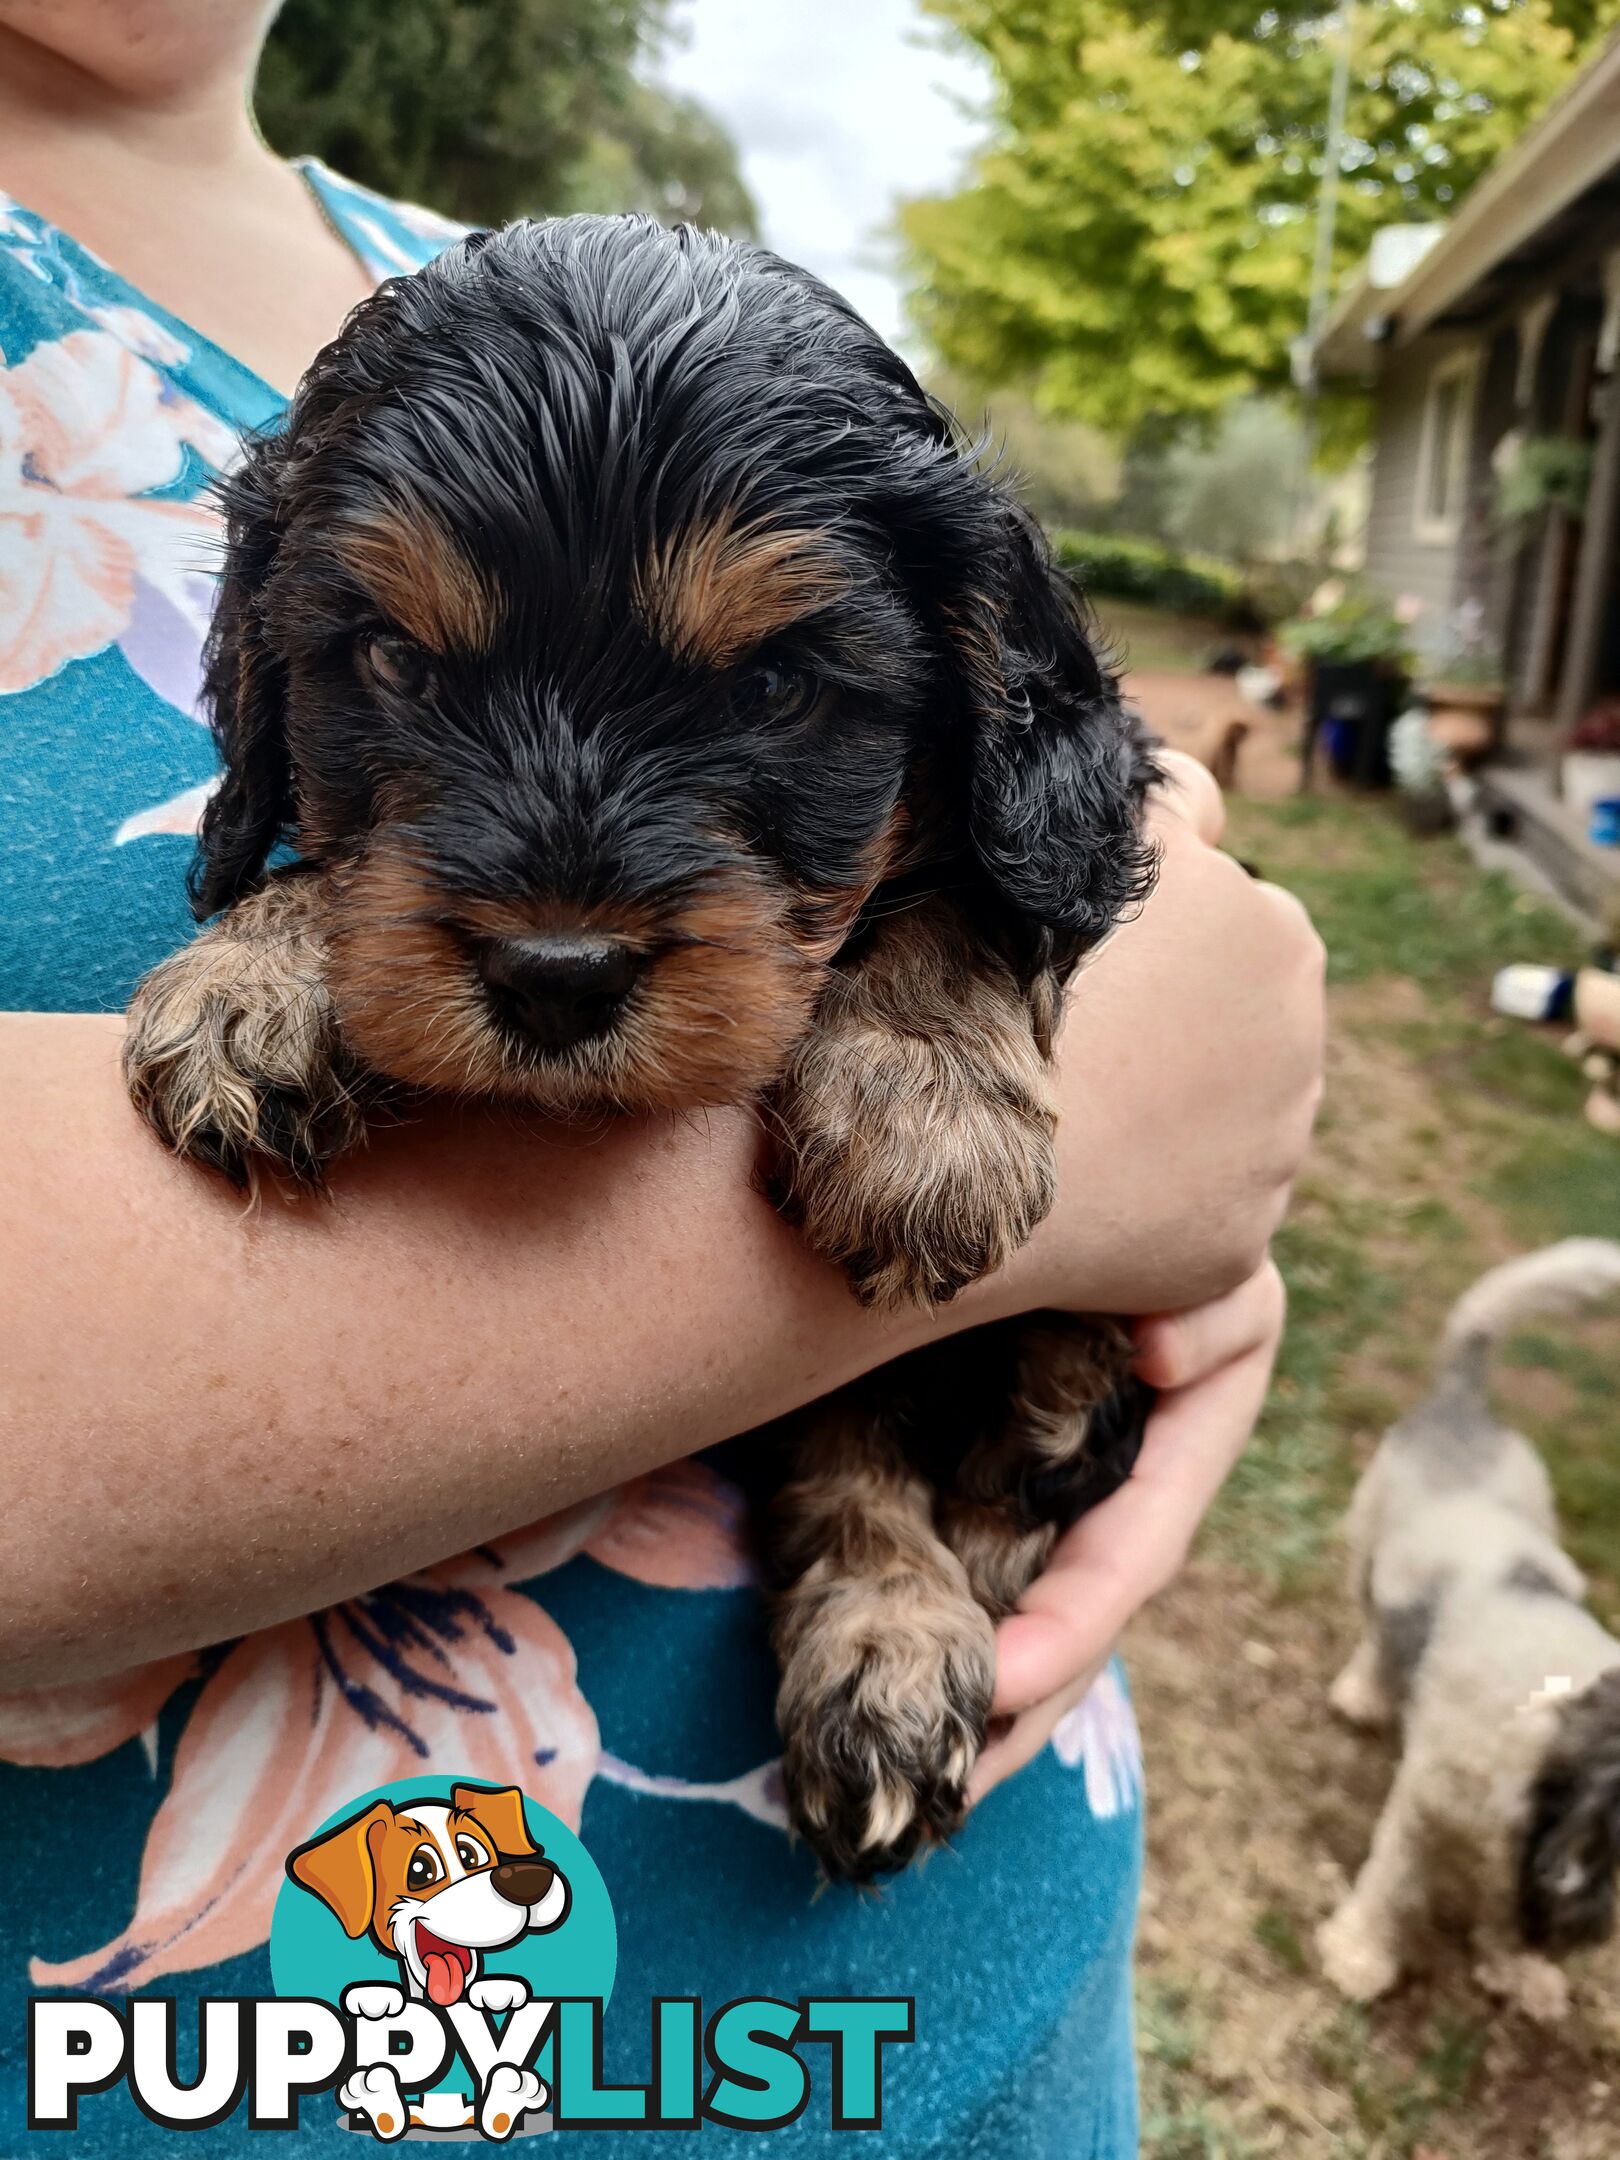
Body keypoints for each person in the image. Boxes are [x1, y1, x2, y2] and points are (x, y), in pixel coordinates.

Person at [0, 2, 1324, 2150]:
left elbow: (1087, 839)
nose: (554, 909)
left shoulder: (435, 260)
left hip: (968, 2016)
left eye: (775, 677)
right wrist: (291, 913)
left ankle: (880, 1520)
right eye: (401, 669)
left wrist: (1008, 1013)